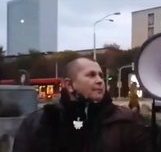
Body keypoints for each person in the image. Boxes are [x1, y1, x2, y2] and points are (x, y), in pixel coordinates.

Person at [13, 57, 153, 152]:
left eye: (100, 75)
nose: (100, 81)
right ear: (69, 84)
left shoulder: (127, 121)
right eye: (91, 75)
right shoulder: (38, 122)